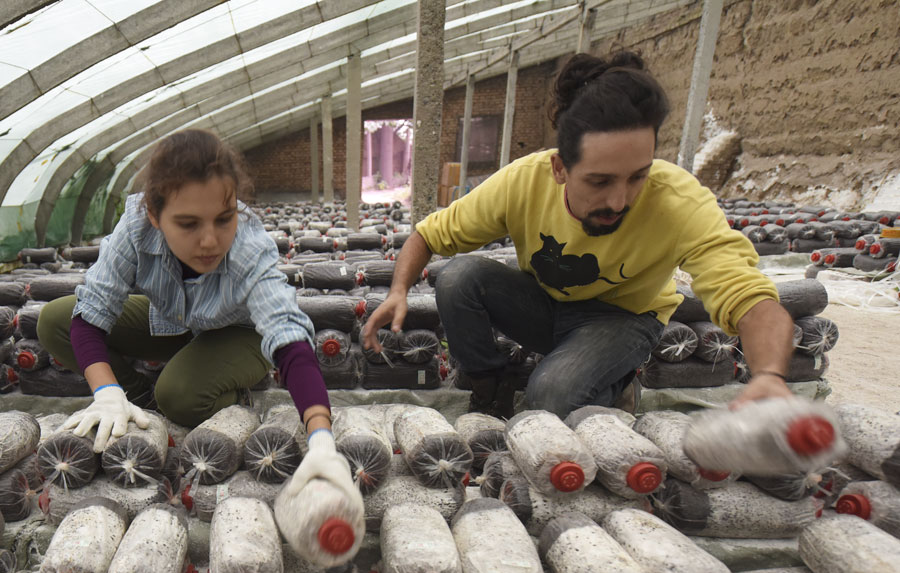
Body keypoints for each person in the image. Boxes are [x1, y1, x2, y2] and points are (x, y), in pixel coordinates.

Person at [362, 50, 795, 419]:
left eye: (637, 176)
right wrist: (399, 290)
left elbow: (748, 296)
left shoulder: (678, 200)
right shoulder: (523, 181)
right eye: (600, 181)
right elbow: (429, 235)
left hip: (622, 320)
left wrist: (770, 375)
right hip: (546, 304)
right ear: (560, 169)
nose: (621, 200)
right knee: (458, 278)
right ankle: (491, 382)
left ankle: (611, 387)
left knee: (550, 396)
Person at [37, 129, 360, 515]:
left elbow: (288, 338)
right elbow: (90, 314)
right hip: (175, 322)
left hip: (240, 334)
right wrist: (107, 392)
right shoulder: (135, 227)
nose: (209, 240)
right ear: (155, 215)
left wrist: (321, 438)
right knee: (55, 320)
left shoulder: (248, 246)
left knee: (180, 397)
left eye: (223, 219)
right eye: (188, 224)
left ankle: (226, 389)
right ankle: (136, 400)